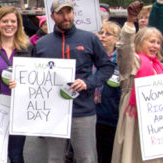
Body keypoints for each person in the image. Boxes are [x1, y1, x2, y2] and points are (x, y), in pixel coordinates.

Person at [32, 1, 114, 162]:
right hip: (53, 112)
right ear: (52, 16)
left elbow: (106, 67)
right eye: (60, 13)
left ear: (73, 13)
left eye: (68, 12)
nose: (66, 17)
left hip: (83, 110)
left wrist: (88, 83)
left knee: (86, 158)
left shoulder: (89, 38)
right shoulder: (42, 44)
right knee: (54, 159)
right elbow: (34, 76)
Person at [112, 1, 163, 163]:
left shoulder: (162, 67)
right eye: (151, 41)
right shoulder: (132, 61)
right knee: (131, 156)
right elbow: (124, 47)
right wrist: (130, 22)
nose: (155, 46)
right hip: (133, 118)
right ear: (140, 42)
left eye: (158, 42)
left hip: (155, 122)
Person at [0, 6, 32, 163]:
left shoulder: (27, 47)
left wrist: (24, 83)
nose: (9, 25)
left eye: (13, 21)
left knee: (16, 154)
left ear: (18, 24)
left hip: (18, 109)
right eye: (5, 21)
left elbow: (36, 77)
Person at [93, 21, 121, 163]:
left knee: (107, 155)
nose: (103, 36)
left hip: (111, 116)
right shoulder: (91, 56)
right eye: (101, 32)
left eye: (108, 34)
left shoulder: (121, 61)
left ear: (117, 39)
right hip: (91, 114)